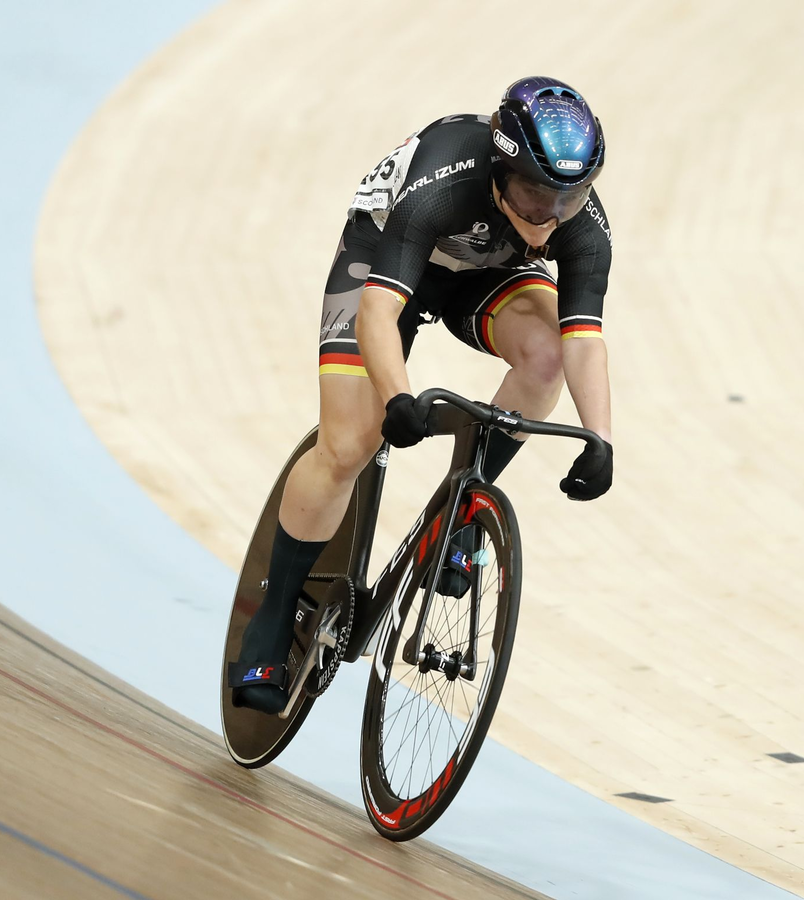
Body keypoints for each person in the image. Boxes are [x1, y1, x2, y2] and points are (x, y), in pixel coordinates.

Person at [230, 76, 615, 714]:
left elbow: (583, 342)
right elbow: (379, 312)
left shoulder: (583, 228)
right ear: (500, 169)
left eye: (566, 198)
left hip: (486, 269)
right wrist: (397, 399)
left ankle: (459, 517)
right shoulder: (445, 180)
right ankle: (272, 615)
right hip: (382, 253)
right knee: (349, 443)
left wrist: (600, 438)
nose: (548, 214)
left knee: (545, 355)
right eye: (532, 193)